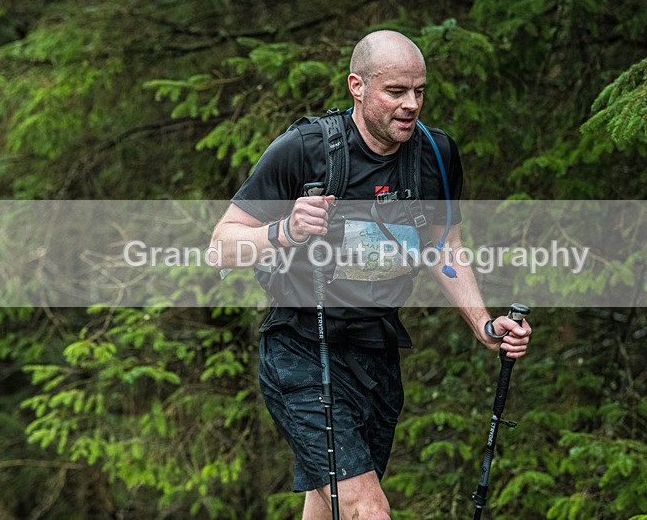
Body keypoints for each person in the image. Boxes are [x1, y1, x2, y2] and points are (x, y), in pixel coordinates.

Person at [210, 30, 531, 520]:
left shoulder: (435, 156)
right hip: (301, 347)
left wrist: (483, 324)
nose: (411, 105)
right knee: (367, 509)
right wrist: (286, 230)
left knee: (329, 505)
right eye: (396, 92)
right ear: (357, 86)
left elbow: (443, 245)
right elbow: (221, 246)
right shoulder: (305, 149)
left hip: (375, 354)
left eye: (419, 92)